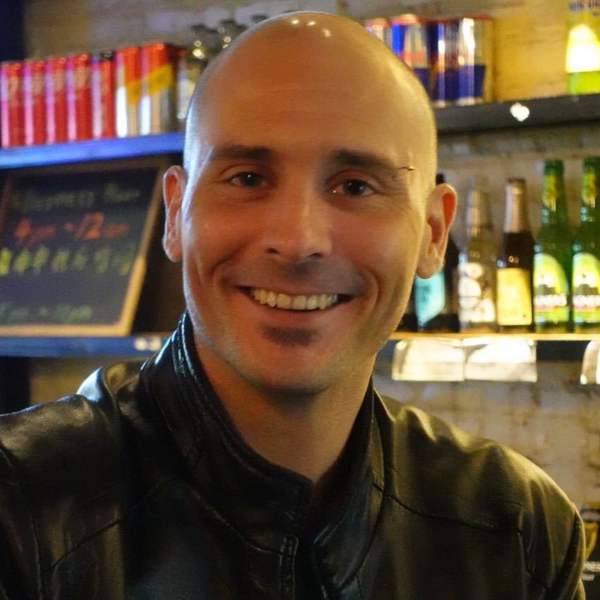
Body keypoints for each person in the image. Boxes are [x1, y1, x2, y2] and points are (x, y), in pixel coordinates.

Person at [0, 12, 585, 600]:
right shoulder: (19, 513)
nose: (299, 239)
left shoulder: (518, 529)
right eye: (248, 178)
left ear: (433, 233)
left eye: (355, 186)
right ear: (176, 214)